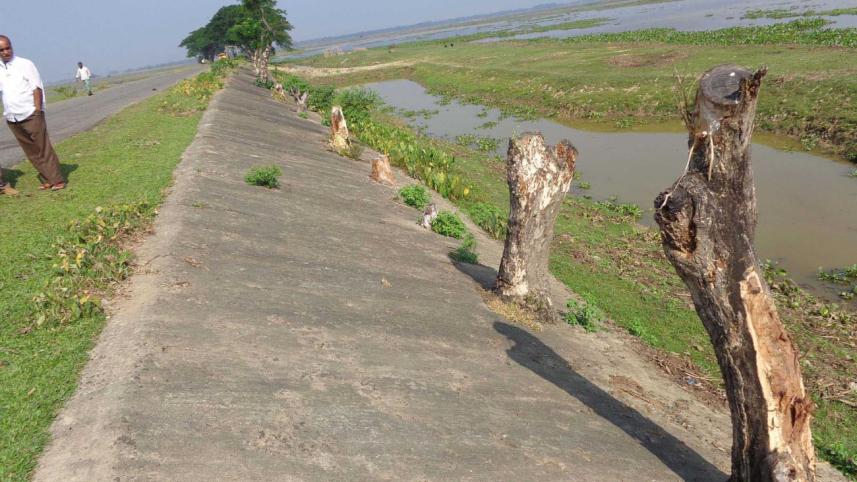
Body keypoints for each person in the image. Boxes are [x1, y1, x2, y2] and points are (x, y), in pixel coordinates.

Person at [0, 35, 66, 191]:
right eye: (1, 50)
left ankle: (57, 180)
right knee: (31, 151)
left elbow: (37, 88)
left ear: (12, 47)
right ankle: (48, 179)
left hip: (30, 114)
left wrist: (37, 111)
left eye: (8, 48)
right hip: (12, 117)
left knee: (43, 148)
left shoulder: (25, 64)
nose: (5, 52)